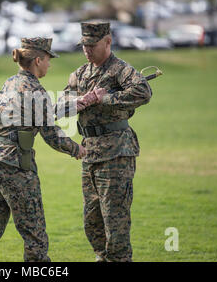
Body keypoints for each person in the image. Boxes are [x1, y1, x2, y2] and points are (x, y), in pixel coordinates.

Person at [0, 37, 86, 262]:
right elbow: (51, 135)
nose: (50, 65)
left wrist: (72, 104)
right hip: (15, 163)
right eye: (49, 59)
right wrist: (76, 149)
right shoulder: (36, 90)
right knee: (35, 233)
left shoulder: (10, 82)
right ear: (38, 60)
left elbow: (28, 114)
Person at [56, 22, 152, 262]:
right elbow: (58, 107)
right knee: (92, 218)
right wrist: (80, 100)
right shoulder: (79, 74)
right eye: (84, 45)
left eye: (92, 44)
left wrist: (105, 99)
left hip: (117, 151)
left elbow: (143, 92)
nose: (87, 50)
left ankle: (119, 258)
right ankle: (103, 256)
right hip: (89, 151)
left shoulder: (121, 70)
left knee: (115, 216)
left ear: (108, 42)